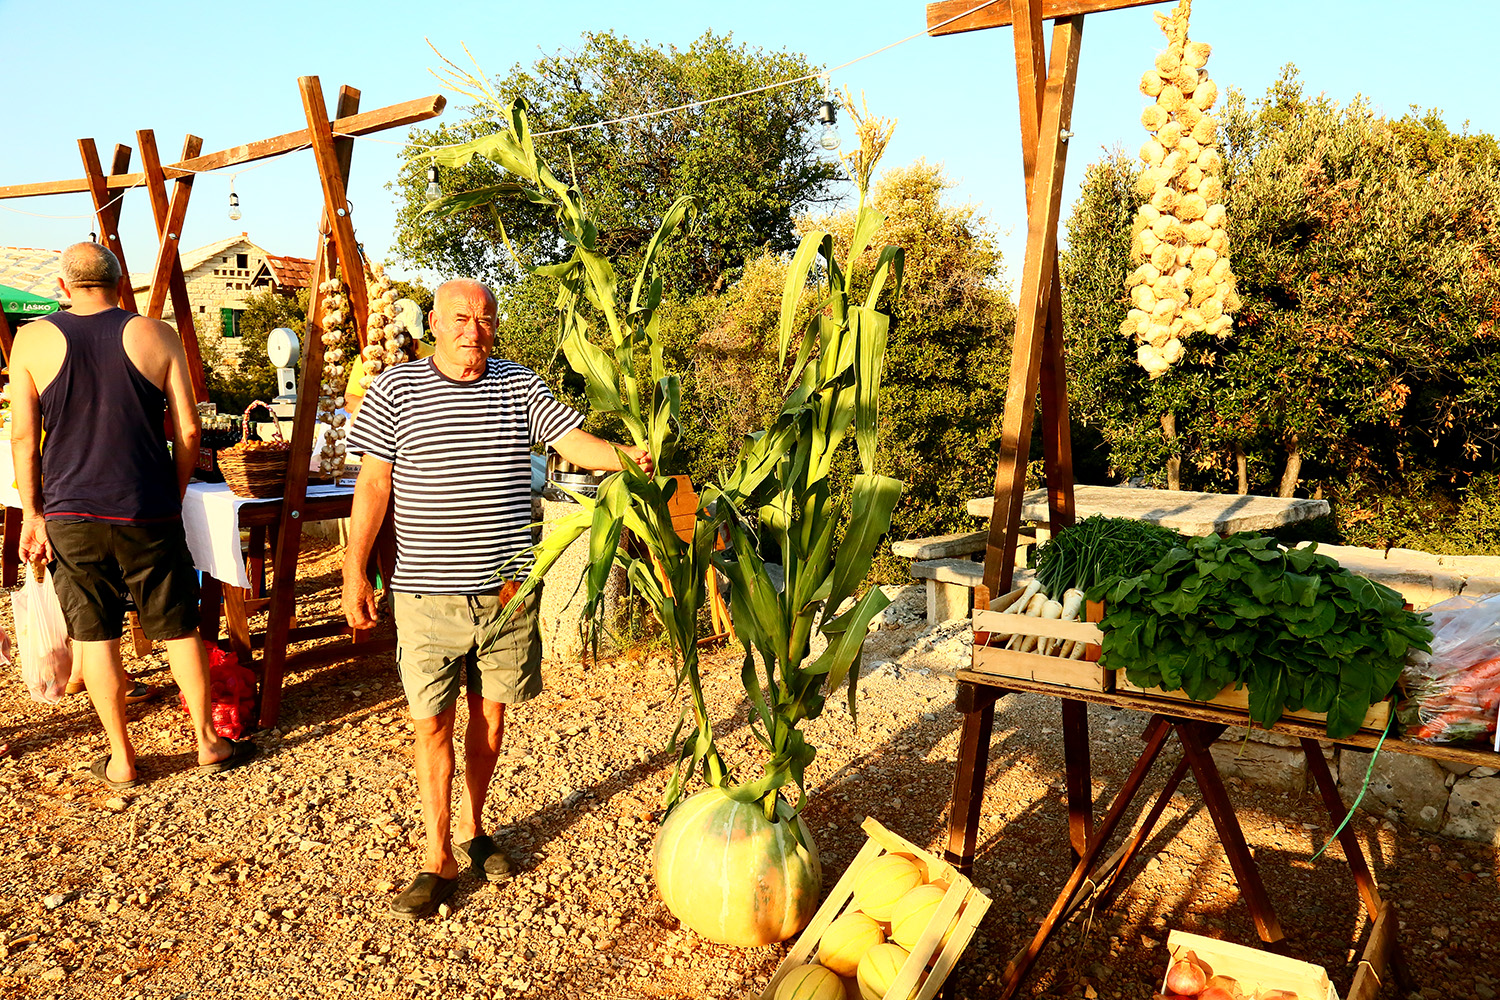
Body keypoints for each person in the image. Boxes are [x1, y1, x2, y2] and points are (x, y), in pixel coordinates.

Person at [341, 278, 649, 920]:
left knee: (492, 719)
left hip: (507, 592)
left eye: (484, 319)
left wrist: (626, 457)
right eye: (459, 318)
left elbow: (571, 444)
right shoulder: (393, 391)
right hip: (426, 596)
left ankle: (475, 831)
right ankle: (435, 855)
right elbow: (373, 485)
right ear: (433, 323)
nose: (472, 330)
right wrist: (353, 570)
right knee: (431, 723)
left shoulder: (520, 386)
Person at [9, 242, 256, 789]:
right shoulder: (155, 334)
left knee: (95, 637)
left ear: (65, 287)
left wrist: (33, 511)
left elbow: (24, 436)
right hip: (147, 508)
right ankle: (207, 742)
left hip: (71, 512)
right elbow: (189, 431)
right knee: (177, 627)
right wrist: (173, 488)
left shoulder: (32, 340)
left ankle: (121, 758)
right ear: (120, 283)